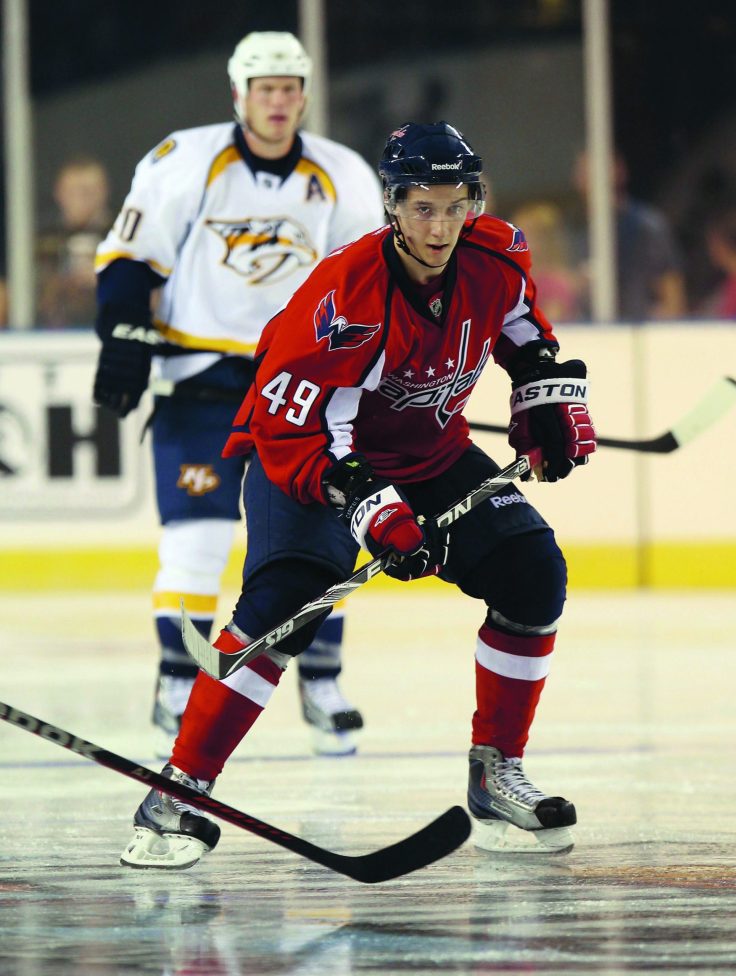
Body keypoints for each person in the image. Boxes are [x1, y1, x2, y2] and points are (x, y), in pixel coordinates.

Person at [119, 121, 597, 870]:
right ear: (391, 206)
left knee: (534, 575)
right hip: (306, 454)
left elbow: (519, 325)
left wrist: (542, 394)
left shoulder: (495, 252)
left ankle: (494, 772)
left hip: (428, 453)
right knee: (283, 607)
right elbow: (302, 427)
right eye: (422, 208)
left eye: (454, 205)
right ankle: (177, 791)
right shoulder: (346, 295)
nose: (440, 227)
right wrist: (376, 512)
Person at [92, 32, 384, 757]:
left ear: (304, 95)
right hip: (203, 382)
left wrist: (375, 372)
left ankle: (320, 678)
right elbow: (132, 254)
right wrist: (123, 333)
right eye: (265, 88)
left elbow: (370, 285)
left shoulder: (341, 174)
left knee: (323, 535)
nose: (278, 101)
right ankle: (178, 682)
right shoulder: (185, 160)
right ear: (239, 94)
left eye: (290, 87)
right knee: (196, 540)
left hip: (302, 385)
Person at [571, 149, 687, 321]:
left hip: (637, 336)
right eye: (583, 170)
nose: (586, 177)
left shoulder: (646, 228)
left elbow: (672, 294)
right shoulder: (578, 231)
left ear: (619, 172)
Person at [37, 156, 113, 328]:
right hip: (53, 330)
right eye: (73, 192)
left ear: (104, 191)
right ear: (58, 193)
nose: (81, 200)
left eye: (88, 192)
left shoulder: (124, 235)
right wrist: (62, 283)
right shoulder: (42, 240)